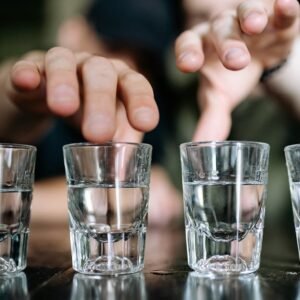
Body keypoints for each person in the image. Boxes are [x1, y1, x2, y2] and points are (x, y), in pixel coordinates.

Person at [0, 0, 299, 227]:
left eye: (144, 57)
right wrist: (14, 95)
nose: (125, 65)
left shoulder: (166, 111)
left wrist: (283, 67)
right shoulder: (167, 110)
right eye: (113, 43)